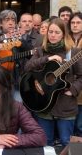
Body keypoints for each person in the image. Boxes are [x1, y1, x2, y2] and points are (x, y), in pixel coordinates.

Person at [24, 18, 82, 146]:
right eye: (50, 32)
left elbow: (81, 76)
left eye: (57, 32)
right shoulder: (40, 51)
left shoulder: (73, 53)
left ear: (63, 34)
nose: (53, 35)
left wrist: (73, 90)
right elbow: (27, 67)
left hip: (65, 106)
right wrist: (47, 58)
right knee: (45, 143)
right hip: (44, 105)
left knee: (68, 143)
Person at [68, 12, 82, 136]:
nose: (75, 25)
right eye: (73, 22)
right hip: (67, 86)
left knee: (80, 125)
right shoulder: (65, 39)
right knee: (69, 127)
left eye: (78, 22)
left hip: (81, 87)